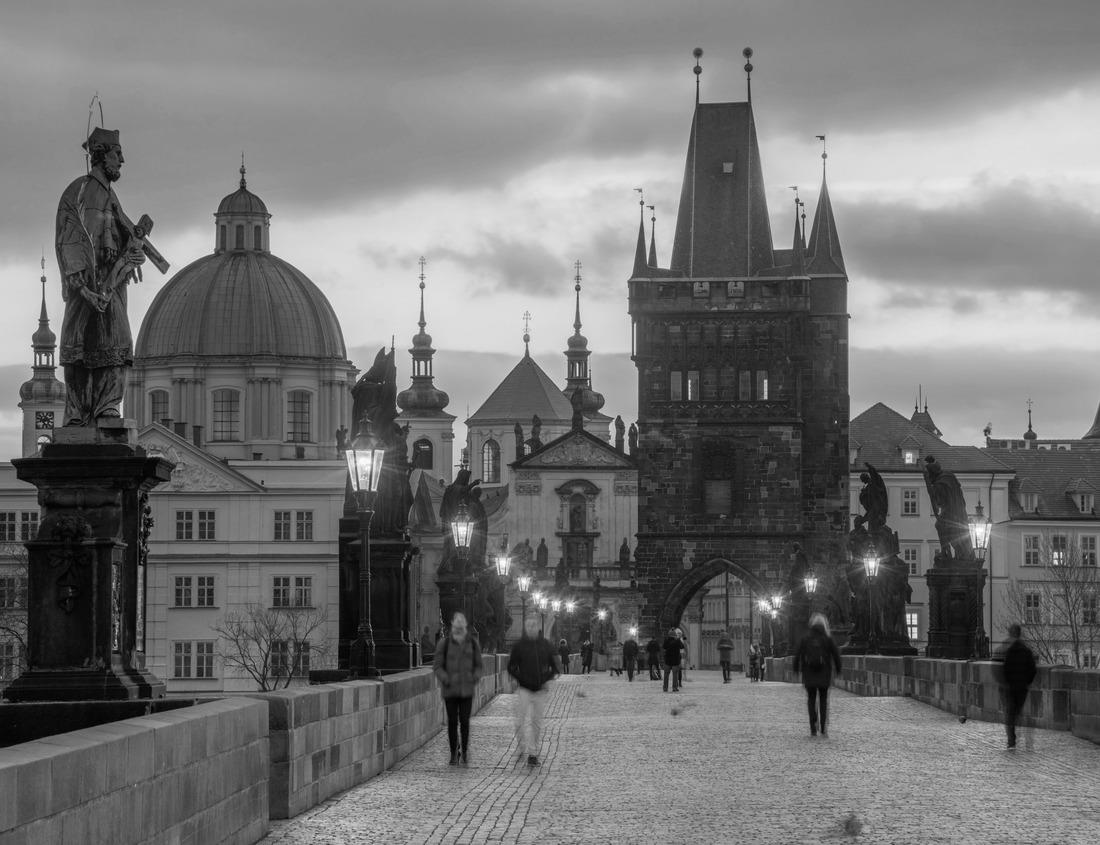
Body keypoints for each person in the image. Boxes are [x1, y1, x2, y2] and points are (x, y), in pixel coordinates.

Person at [56, 127, 159, 426]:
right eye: (118, 153)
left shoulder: (108, 195)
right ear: (102, 156)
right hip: (90, 288)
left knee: (114, 344)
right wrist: (85, 289)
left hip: (109, 286)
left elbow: (121, 238)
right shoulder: (83, 191)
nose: (122, 160)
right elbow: (72, 241)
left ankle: (105, 409)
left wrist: (134, 254)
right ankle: (82, 413)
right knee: (83, 349)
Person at [508, 616, 560, 766]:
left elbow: (554, 666)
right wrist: (520, 678)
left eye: (533, 625)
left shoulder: (545, 645)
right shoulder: (519, 646)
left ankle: (533, 752)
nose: (531, 628)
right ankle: (522, 745)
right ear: (526, 628)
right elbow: (511, 666)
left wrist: (545, 678)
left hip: (539, 690)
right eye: (528, 626)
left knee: (536, 722)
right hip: (524, 688)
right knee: (520, 720)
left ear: (538, 627)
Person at [432, 612, 483, 766]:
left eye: (462, 623)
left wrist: (474, 677)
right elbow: (437, 666)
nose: (459, 626)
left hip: (466, 689)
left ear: (465, 625)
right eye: (457, 623)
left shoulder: (473, 644)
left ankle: (465, 751)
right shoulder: (444, 644)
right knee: (452, 722)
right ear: (453, 625)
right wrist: (446, 679)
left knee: (465, 721)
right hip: (450, 690)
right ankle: (454, 752)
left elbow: (479, 666)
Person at [793, 613, 843, 737]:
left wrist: (796, 669)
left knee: (811, 699)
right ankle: (823, 726)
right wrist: (838, 669)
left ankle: (812, 726)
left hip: (809, 673)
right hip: (824, 673)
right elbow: (836, 655)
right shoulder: (828, 639)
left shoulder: (806, 638)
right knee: (823, 699)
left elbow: (798, 654)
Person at [994, 623, 1038, 749]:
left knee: (1009, 713)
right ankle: (1026, 738)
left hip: (1007, 687)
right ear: (1019, 633)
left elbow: (998, 669)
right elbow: (1032, 669)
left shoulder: (1003, 648)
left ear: (1010, 633)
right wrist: (1027, 682)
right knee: (1018, 710)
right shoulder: (1026, 649)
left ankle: (1011, 740)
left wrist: (1003, 682)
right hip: (1022, 686)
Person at [662, 627, 685, 692]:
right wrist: (679, 639)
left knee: (666, 675)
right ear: (675, 635)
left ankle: (665, 688)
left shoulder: (667, 640)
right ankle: (674, 687)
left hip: (668, 660)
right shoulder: (677, 641)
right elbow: (682, 646)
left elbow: (664, 647)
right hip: (675, 660)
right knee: (675, 675)